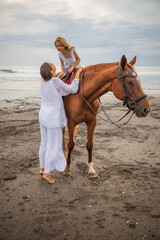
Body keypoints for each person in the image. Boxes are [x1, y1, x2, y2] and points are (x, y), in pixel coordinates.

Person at [39, 62, 82, 184]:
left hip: (43, 116)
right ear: (51, 71)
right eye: (53, 66)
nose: (55, 65)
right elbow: (72, 90)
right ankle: (47, 173)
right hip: (53, 118)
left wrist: (56, 78)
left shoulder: (43, 81)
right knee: (53, 145)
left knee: (44, 143)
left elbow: (56, 90)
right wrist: (77, 74)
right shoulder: (55, 81)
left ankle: (42, 168)